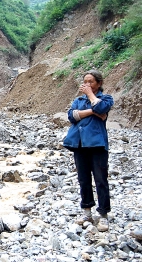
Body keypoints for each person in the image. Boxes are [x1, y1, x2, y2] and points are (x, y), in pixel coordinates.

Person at [63, 69, 114, 232]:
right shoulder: (78, 100)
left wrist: (92, 98)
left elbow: (102, 108)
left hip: (97, 145)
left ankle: (103, 214)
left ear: (99, 83)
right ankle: (87, 212)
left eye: (91, 81)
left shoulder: (106, 98)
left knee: (101, 179)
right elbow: (72, 116)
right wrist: (93, 111)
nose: (87, 85)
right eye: (85, 82)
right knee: (83, 179)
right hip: (79, 144)